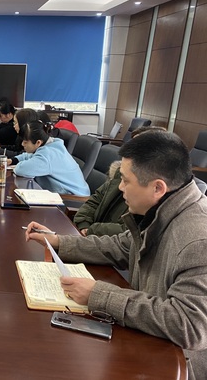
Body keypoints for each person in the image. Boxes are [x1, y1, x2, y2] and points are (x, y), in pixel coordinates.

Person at [24, 131, 207, 380]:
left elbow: (190, 326)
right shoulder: (162, 211)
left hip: (177, 364)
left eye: (126, 181)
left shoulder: (198, 239)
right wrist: (59, 241)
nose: (120, 187)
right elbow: (120, 246)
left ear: (157, 187)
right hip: (149, 339)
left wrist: (99, 295)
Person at [73, 126, 167, 237]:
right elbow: (96, 199)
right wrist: (84, 224)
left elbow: (131, 232)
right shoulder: (120, 174)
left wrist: (92, 229)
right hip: (93, 238)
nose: (121, 187)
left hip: (105, 241)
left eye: (137, 150)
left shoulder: (152, 191)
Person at [9, 120, 90, 195]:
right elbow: (30, 155)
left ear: (38, 142)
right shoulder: (52, 143)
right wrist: (13, 160)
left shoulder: (48, 155)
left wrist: (18, 164)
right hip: (71, 193)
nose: (22, 144)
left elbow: (22, 169)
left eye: (25, 142)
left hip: (73, 198)